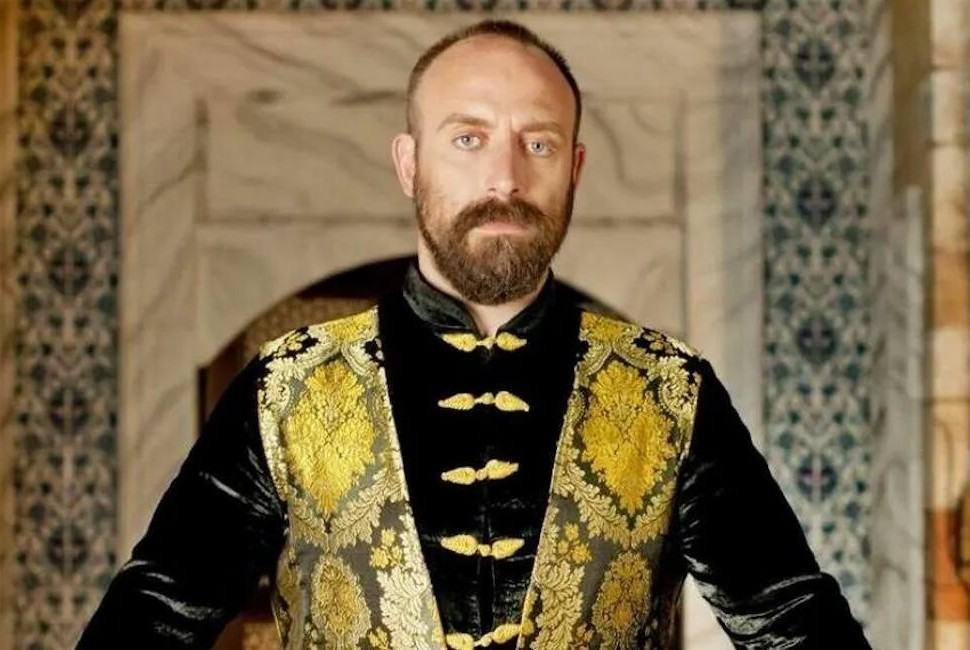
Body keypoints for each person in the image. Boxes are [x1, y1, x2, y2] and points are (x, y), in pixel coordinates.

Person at [79, 19, 871, 649]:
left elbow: (792, 617)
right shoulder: (287, 386)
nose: (505, 178)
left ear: (574, 169)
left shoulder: (669, 391)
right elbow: (153, 617)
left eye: (538, 143)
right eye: (468, 138)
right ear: (408, 164)